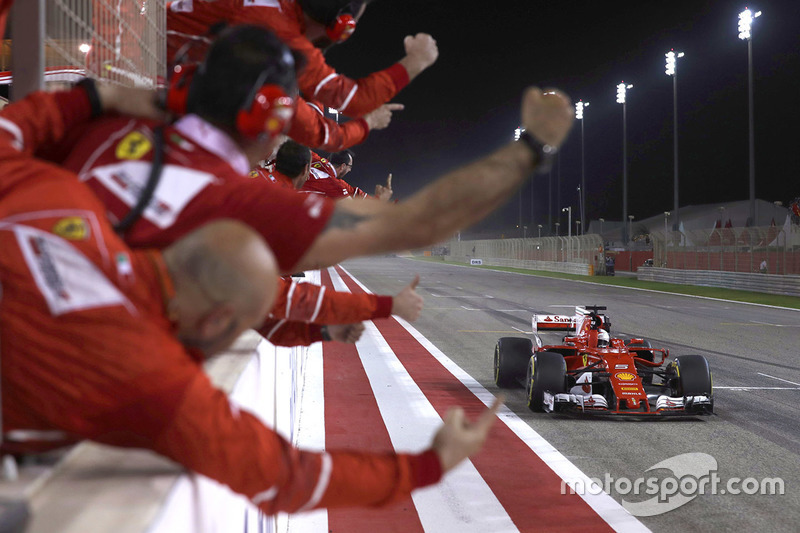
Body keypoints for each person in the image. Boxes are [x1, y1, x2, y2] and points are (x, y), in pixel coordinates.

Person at [0, 82, 503, 514]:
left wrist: (99, 95)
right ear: (219, 321)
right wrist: (431, 463)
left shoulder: (60, 198)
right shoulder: (153, 383)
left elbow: (18, 126)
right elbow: (288, 476)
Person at [167, 0, 438, 118]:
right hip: (151, 50)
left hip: (158, 28)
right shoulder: (283, 32)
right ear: (340, 25)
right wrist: (416, 61)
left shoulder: (280, 13)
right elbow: (352, 100)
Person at [303, 149, 392, 200]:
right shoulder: (333, 185)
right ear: (343, 166)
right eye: (349, 167)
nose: (349, 170)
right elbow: (355, 210)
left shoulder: (315, 158)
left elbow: (353, 192)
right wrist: (381, 200)